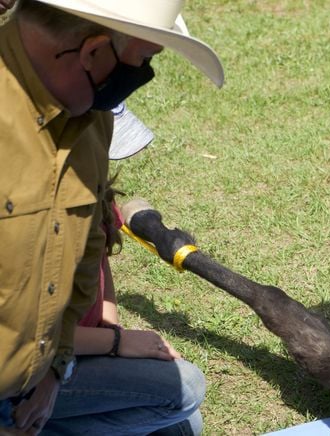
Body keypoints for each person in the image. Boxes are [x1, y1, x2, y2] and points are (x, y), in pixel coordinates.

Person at [0, 0, 222, 433]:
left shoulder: (92, 122)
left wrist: (54, 369)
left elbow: (86, 254)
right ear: (93, 53)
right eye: (142, 60)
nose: (140, 77)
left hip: (31, 384)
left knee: (182, 422)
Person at [35, 107, 207, 435]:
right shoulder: (32, 217)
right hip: (34, 368)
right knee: (186, 388)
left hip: (78, 352)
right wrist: (115, 343)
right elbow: (27, 338)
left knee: (185, 427)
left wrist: (112, 328)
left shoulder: (91, 190)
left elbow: (101, 272)